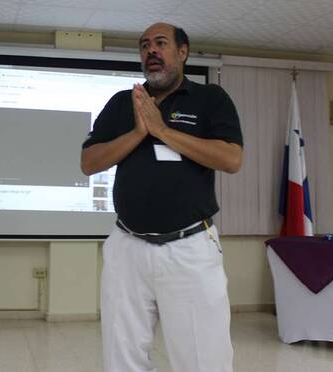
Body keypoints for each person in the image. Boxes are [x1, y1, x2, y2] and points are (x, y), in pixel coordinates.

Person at [81, 22, 243, 372]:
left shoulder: (210, 99)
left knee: (203, 357)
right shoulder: (124, 103)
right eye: (143, 46)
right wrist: (141, 131)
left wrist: (163, 130)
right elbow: (89, 162)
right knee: (121, 353)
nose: (150, 51)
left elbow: (231, 159)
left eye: (160, 43)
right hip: (127, 246)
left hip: (189, 247)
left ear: (182, 52)